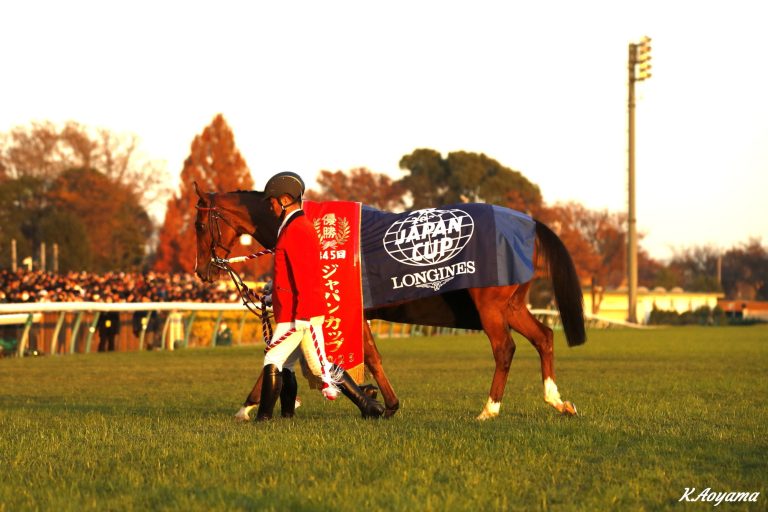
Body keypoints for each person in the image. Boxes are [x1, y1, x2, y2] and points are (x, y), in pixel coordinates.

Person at [253, 171, 384, 421]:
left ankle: (264, 418)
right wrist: (273, 291)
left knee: (274, 358)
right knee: (308, 364)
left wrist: (301, 315)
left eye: (271, 201)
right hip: (297, 310)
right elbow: (291, 273)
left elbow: (305, 276)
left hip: (298, 314)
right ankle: (366, 406)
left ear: (284, 199)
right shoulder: (293, 226)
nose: (270, 206)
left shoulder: (297, 229)